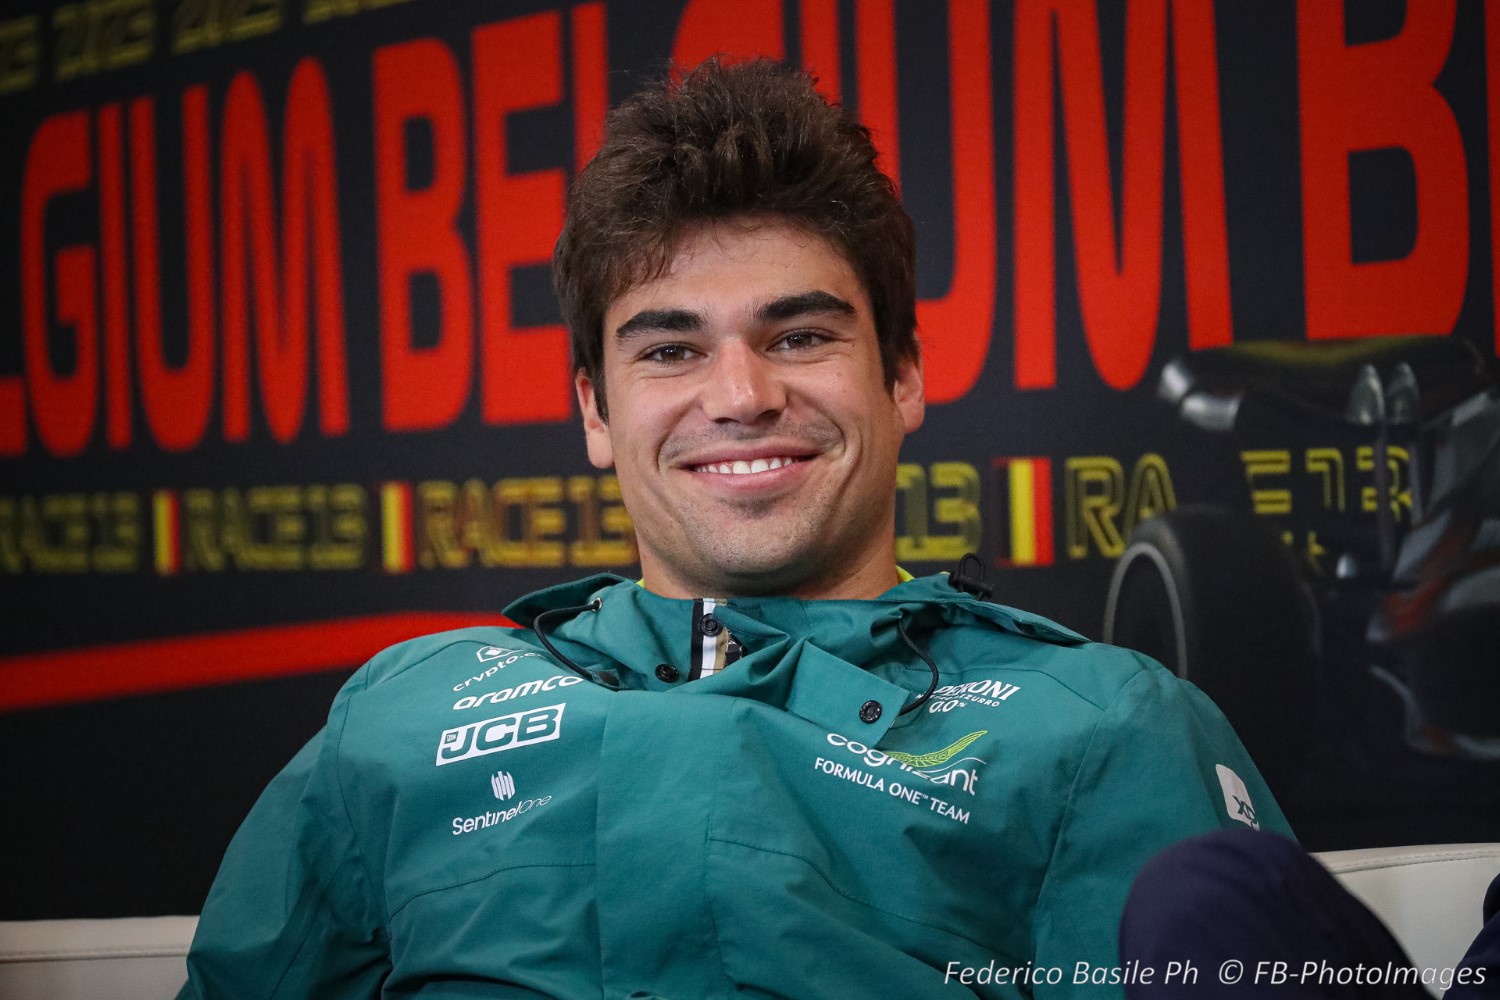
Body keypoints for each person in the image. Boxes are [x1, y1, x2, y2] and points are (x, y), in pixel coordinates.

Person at [179, 58, 1289, 999]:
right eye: (669, 349)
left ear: (901, 376)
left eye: (799, 336)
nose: (742, 394)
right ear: (595, 412)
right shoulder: (404, 713)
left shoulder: (1104, 731)